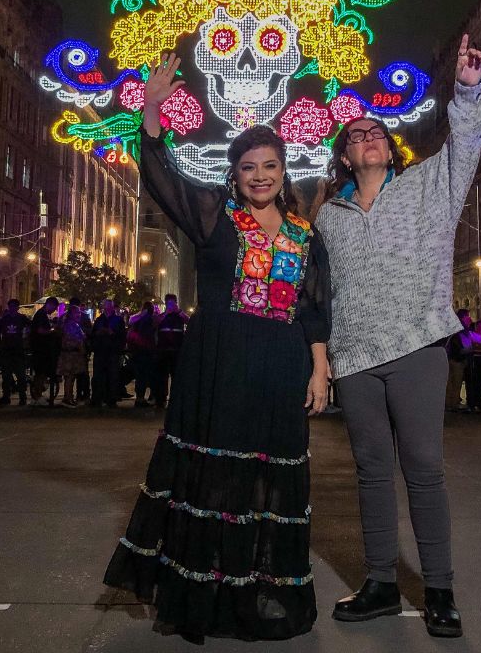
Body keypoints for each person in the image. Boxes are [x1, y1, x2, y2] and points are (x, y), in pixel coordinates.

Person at [104, 52, 331, 643]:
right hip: (220, 361)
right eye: (249, 167)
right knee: (217, 479)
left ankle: (261, 585)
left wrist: (319, 368)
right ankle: (208, 591)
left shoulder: (305, 234)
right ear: (234, 174)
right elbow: (158, 173)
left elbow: (313, 306)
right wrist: (151, 110)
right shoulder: (213, 219)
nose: (260, 176)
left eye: (270, 166)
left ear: (284, 171)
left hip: (281, 364)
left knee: (271, 479)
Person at [316, 34, 481, 640]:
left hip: (416, 346)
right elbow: (321, 293)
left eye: (376, 133)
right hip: (356, 357)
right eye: (355, 135)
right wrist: (324, 358)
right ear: (344, 156)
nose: (367, 138)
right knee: (369, 471)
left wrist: (466, 90)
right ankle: (382, 582)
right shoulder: (328, 217)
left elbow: (465, 143)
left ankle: (438, 588)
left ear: (391, 149)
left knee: (424, 468)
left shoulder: (427, 189)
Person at [153, 294, 188, 408]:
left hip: (177, 350)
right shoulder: (162, 316)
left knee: (176, 376)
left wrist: (179, 312)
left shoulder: (179, 316)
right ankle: (161, 398)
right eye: (169, 303)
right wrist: (166, 313)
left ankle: (175, 399)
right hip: (163, 350)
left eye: (174, 303)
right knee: (162, 376)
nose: (172, 305)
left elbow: (189, 321)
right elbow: (155, 323)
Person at [90, 299, 125, 408]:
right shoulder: (100, 319)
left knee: (112, 375)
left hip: (111, 350)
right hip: (101, 350)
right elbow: (94, 334)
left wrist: (112, 333)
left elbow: (121, 335)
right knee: (100, 375)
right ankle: (99, 397)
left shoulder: (117, 320)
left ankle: (110, 398)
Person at [0, 299, 30, 406]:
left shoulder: (22, 318)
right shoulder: (4, 319)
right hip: (7, 350)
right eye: (11, 306)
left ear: (17, 307)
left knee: (21, 375)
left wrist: (25, 337)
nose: (13, 308)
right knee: (6, 376)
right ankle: (6, 396)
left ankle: (22, 397)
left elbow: (29, 327)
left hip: (18, 349)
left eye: (15, 306)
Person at [126, 300, 159, 408]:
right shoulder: (151, 320)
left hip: (138, 351)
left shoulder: (137, 320)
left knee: (140, 376)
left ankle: (139, 398)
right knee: (146, 376)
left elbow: (131, 332)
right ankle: (145, 398)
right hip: (147, 352)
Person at [28, 297, 59, 405]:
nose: (54, 311)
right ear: (49, 304)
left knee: (42, 373)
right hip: (40, 349)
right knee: (40, 373)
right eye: (54, 308)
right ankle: (37, 396)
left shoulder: (42, 315)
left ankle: (38, 394)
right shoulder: (41, 315)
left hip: (41, 348)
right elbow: (40, 330)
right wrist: (52, 330)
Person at [57, 304, 87, 407]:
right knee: (69, 376)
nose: (79, 314)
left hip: (73, 353)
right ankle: (67, 398)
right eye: (76, 312)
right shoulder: (70, 325)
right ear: (71, 314)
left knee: (71, 376)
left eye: (79, 312)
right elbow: (73, 339)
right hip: (70, 354)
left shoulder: (73, 324)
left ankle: (69, 396)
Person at [444, 309, 472, 411]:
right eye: (467, 316)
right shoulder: (461, 328)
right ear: (463, 317)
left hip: (449, 357)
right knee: (456, 382)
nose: (469, 318)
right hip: (457, 359)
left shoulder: (451, 326)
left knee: (449, 382)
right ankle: (454, 403)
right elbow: (465, 344)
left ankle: (448, 403)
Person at [465, 320, 481, 412]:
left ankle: (479, 401)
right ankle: (471, 402)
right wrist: (479, 345)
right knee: (473, 381)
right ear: (475, 327)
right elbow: (473, 346)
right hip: (474, 360)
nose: (480, 329)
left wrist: (479, 345)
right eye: (479, 326)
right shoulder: (471, 334)